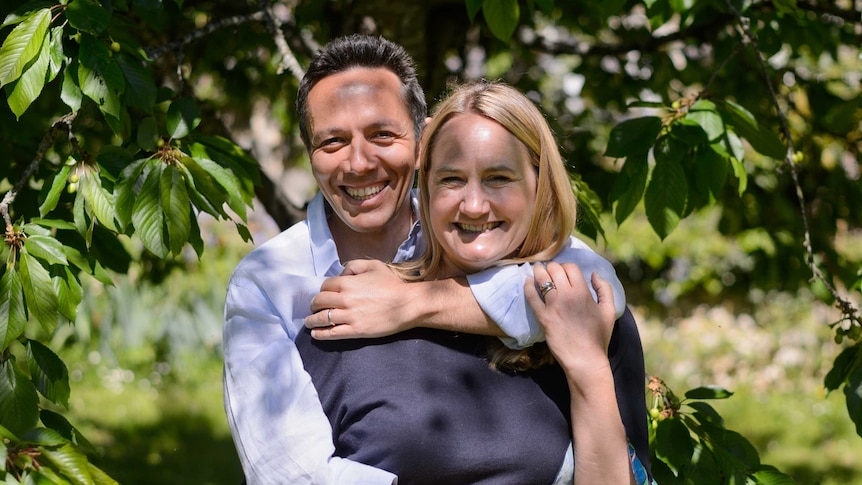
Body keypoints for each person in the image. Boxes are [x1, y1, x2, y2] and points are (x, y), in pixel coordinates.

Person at [222, 34, 642, 484]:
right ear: (310, 154)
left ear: (421, 143)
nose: (359, 162)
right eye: (333, 142)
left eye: (382, 134)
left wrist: (411, 302)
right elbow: (289, 474)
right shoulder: (270, 281)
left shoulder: (465, 227)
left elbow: (590, 287)